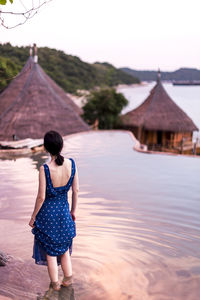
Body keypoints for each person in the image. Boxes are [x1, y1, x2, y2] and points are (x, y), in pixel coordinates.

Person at [29, 130, 79, 291]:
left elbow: (41, 197)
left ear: (45, 148)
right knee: (64, 250)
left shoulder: (45, 169)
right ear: (61, 145)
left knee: (51, 253)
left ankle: (55, 286)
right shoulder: (71, 164)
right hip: (64, 214)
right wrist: (73, 211)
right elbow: (76, 191)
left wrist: (33, 217)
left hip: (47, 217)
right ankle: (68, 281)